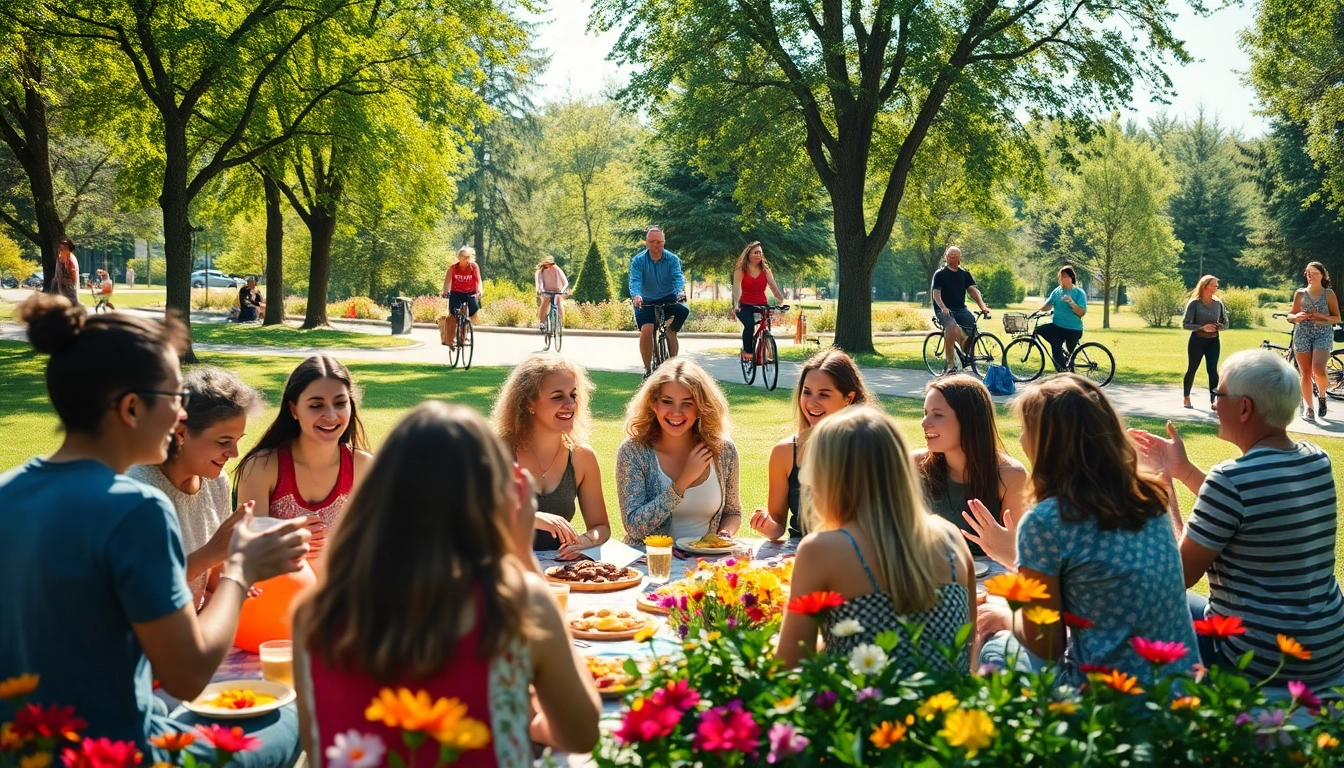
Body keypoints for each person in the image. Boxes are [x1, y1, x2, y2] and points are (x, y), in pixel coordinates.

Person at [0, 294, 310, 765]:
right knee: (297, 706)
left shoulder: (7, 491)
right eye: (174, 399)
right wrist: (239, 569)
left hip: (22, 749)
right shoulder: (135, 507)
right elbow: (188, 674)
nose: (181, 417)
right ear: (130, 409)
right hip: (115, 752)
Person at [293, 402, 601, 767]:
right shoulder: (517, 601)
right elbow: (580, 733)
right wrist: (523, 557)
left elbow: (317, 748)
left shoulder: (316, 611)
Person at [1130, 349, 1344, 690]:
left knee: (1142, 615)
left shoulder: (1230, 481)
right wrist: (1182, 470)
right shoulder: (1315, 459)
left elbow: (1177, 576)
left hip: (1258, 656)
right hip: (1328, 645)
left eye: (1219, 394)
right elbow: (1252, 510)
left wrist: (1164, 486)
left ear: (1244, 408)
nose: (1214, 404)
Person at [970, 375, 1196, 683]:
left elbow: (1046, 644)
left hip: (1105, 701)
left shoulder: (1047, 521)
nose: (1021, 439)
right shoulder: (1149, 496)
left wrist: (1006, 617)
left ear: (1046, 443)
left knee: (992, 643)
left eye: (1025, 429)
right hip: (1180, 688)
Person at [777, 407, 977, 671]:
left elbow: (790, 665)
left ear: (828, 475)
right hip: (948, 707)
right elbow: (965, 645)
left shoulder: (822, 550)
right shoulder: (950, 537)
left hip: (866, 708)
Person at [128, 366, 265, 610]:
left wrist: (232, 585)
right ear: (181, 433)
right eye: (224, 442)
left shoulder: (216, 482)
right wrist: (211, 553)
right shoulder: (138, 491)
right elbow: (141, 590)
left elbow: (212, 577)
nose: (234, 453)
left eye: (237, 441)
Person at [237, 355, 373, 573]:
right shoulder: (262, 467)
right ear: (293, 410)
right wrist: (286, 543)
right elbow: (245, 550)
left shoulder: (364, 467)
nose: (331, 415)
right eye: (316, 405)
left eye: (340, 403)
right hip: (276, 595)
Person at [491, 354, 611, 558]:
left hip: (556, 575)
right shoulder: (496, 451)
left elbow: (601, 527)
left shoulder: (582, 457)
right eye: (557, 397)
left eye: (573, 395)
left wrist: (586, 541)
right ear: (528, 404)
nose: (570, 404)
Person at [749, 349, 872, 540]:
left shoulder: (869, 449)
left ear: (849, 399)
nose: (811, 403)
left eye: (824, 395)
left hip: (855, 556)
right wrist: (767, 524)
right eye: (807, 392)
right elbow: (778, 524)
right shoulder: (784, 453)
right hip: (799, 556)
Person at [616, 358, 741, 545]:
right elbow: (634, 526)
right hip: (650, 565)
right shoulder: (633, 452)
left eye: (687, 403)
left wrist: (724, 535)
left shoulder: (723, 449)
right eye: (667, 401)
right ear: (653, 403)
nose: (676, 412)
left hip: (705, 566)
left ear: (701, 407)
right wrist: (682, 483)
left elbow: (732, 512)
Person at [915, 374, 1028, 559]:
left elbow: (1017, 554)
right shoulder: (914, 465)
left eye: (937, 415)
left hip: (991, 577)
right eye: (926, 413)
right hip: (929, 574)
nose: (924, 423)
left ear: (969, 420)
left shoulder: (1010, 475)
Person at [629, 227, 690, 377]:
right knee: (647, 330)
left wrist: (680, 291)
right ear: (646, 243)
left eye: (658, 242)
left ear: (663, 242)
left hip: (668, 298)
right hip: (645, 300)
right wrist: (636, 295)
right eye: (651, 242)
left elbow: (677, 277)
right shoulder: (638, 260)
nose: (655, 245)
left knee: (681, 315)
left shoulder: (672, 259)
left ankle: (674, 366)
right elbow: (635, 280)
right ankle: (647, 369)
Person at [1288, 261, 1340, 422]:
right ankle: (1309, 409)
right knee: (1305, 372)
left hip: (1322, 334)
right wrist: (1296, 317)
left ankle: (1322, 397)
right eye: (1308, 273)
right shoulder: (1300, 293)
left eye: (1315, 273)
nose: (1311, 276)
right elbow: (1291, 316)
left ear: (1322, 275)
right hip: (1302, 333)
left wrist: (1322, 317)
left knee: (1318, 368)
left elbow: (1337, 318)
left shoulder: (1328, 293)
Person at [930, 245, 991, 373]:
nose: (952, 258)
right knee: (951, 327)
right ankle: (951, 364)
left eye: (955, 256)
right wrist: (943, 307)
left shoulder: (964, 274)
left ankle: (968, 354)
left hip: (960, 309)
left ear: (959, 259)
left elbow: (973, 291)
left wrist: (983, 307)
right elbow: (936, 293)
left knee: (973, 327)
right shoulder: (940, 274)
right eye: (950, 255)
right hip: (943, 310)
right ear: (946, 258)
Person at [1180, 275, 1229, 409]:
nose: (1216, 288)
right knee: (1192, 368)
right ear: (1205, 286)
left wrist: (1219, 326)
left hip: (1213, 341)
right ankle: (1186, 397)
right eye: (1214, 285)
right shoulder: (1194, 303)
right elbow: (1186, 324)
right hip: (1197, 341)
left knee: (1212, 370)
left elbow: (1226, 323)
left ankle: (1214, 401)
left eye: (1216, 285)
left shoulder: (1218, 302)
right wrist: (1201, 327)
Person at [730, 241, 784, 361]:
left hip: (761, 304)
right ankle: (748, 352)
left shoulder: (766, 270)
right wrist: (736, 304)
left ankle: (766, 348)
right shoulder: (740, 270)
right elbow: (737, 290)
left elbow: (774, 288)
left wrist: (781, 300)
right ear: (748, 254)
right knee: (749, 325)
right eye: (755, 252)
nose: (758, 255)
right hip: (744, 305)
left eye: (760, 253)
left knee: (766, 326)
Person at [1032, 265, 1087, 372]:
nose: (1061, 279)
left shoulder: (1079, 293)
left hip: (1073, 329)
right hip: (1057, 326)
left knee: (1071, 354)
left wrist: (1071, 302)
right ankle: (1062, 370)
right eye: (1060, 277)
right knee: (1040, 331)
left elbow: (1081, 313)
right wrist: (1037, 311)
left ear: (1071, 277)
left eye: (1064, 276)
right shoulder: (1057, 291)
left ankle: (1066, 369)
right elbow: (1048, 305)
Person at [443, 245, 484, 325]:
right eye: (460, 256)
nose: (461, 258)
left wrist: (480, 291)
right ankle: (454, 329)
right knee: (453, 313)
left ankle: (468, 327)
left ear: (468, 257)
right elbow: (447, 282)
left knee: (474, 309)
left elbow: (479, 281)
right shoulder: (453, 268)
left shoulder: (474, 267)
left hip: (471, 292)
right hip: (456, 292)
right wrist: (445, 291)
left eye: (464, 257)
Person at [535, 255, 569, 332]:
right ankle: (542, 323)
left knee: (559, 305)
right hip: (545, 291)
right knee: (545, 302)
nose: (549, 265)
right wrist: (540, 290)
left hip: (557, 290)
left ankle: (558, 324)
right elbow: (539, 282)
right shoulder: (540, 271)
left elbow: (565, 282)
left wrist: (563, 290)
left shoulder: (557, 269)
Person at [54, 237, 80, 306]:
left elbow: (73, 273)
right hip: (61, 285)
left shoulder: (70, 258)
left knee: (70, 303)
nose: (60, 246)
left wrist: (66, 281)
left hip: (68, 286)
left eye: (63, 244)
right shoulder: (61, 257)